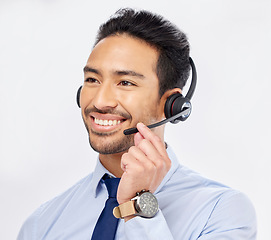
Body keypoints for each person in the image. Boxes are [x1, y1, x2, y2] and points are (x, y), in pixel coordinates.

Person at [17, 8, 257, 240]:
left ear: (171, 104)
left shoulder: (221, 212)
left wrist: (137, 205)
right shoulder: (41, 224)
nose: (100, 101)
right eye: (92, 79)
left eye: (126, 83)